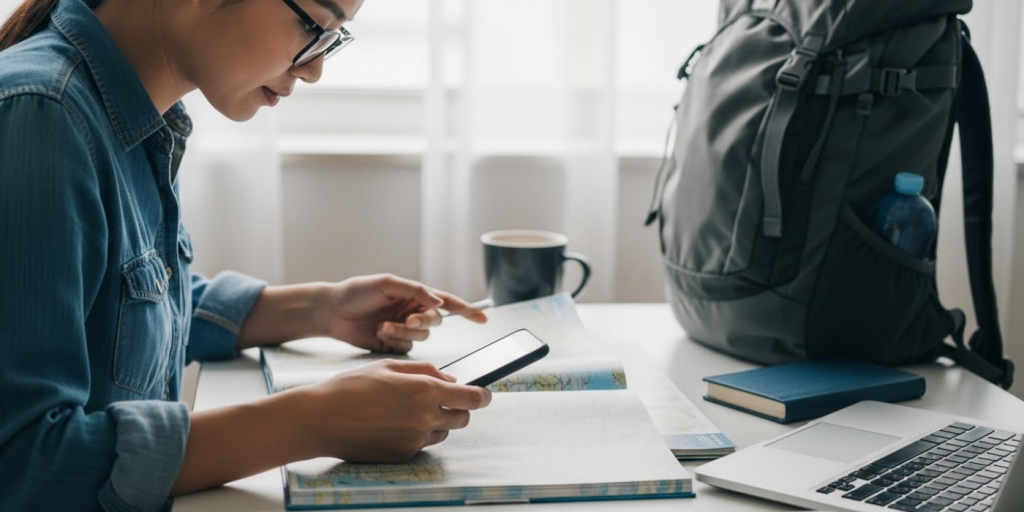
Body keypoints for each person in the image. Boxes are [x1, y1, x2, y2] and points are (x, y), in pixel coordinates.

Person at [0, 0, 493, 511]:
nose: (315, 68)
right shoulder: (39, 119)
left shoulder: (126, 114)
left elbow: (120, 313)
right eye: (315, 26)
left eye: (333, 38)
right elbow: (24, 462)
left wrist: (321, 309)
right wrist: (311, 422)